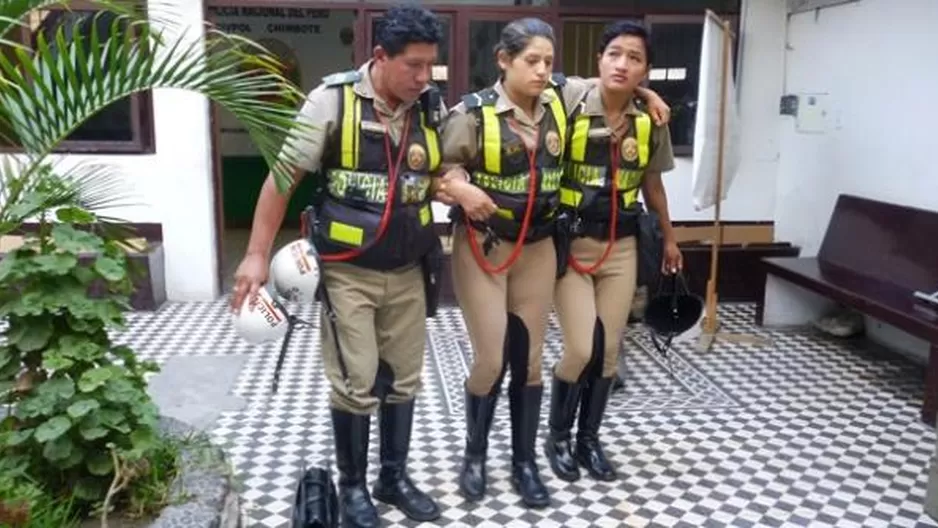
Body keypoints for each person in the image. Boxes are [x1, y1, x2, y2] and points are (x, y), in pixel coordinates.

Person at [229, 5, 454, 527]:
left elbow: (445, 165)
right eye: (413, 66)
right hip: (348, 270)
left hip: (410, 268)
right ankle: (353, 488)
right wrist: (257, 253)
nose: (424, 78)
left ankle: (392, 478)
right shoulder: (331, 102)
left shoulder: (431, 108)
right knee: (356, 379)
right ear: (380, 57)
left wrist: (453, 181)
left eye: (430, 67)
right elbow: (280, 179)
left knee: (403, 379)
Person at [434, 17, 671, 508]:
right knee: (492, 357)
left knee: (531, 360)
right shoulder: (473, 113)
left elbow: (613, 85)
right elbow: (441, 167)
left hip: (541, 245)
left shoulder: (558, 107)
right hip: (485, 244)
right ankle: (474, 455)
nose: (543, 71)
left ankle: (525, 461)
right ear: (504, 60)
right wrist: (460, 187)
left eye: (548, 62)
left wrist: (646, 96)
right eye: (531, 61)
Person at [543, 20, 681, 485]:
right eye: (615, 54)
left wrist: (671, 238)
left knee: (608, 351)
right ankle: (557, 436)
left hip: (622, 246)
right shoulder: (571, 100)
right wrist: (647, 92)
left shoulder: (650, 122)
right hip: (571, 247)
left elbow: (654, 185)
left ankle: (588, 439)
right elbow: (553, 83)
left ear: (647, 68)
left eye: (635, 58)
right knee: (581, 347)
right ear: (599, 59)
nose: (623, 64)